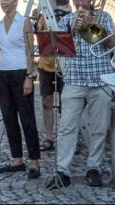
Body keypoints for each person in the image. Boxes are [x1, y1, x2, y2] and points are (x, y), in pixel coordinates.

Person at [45, 0, 115, 189]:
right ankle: (62, 171)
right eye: (76, 0)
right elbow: (58, 49)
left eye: (83, 0)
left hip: (100, 80)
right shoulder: (67, 19)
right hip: (74, 79)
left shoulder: (104, 17)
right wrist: (71, 31)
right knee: (67, 127)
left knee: (99, 127)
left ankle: (93, 168)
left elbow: (113, 44)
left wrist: (93, 23)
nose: (80, 4)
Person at [0, 0, 41, 179]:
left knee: (27, 119)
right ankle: (17, 160)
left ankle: (34, 162)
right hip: (2, 73)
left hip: (20, 72)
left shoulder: (24, 22)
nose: (3, 2)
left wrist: (29, 76)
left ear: (15, 0)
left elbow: (30, 51)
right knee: (9, 118)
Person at [35, 13, 64, 152]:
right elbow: (37, 33)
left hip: (64, 65)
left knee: (67, 105)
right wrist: (36, 20)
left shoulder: (66, 14)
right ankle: (49, 138)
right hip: (45, 65)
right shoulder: (43, 16)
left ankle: (68, 138)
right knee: (46, 103)